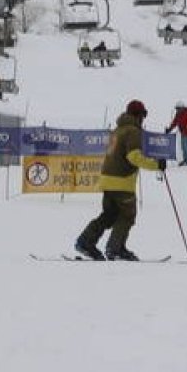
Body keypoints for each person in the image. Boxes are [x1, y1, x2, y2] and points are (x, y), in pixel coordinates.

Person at [75, 100, 166, 260]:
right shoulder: (132, 131)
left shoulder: (117, 130)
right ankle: (115, 249)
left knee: (109, 215)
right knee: (127, 215)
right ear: (138, 116)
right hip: (122, 181)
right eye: (143, 115)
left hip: (107, 179)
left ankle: (85, 242)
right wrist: (156, 164)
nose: (143, 119)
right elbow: (133, 157)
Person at [166, 101, 187, 166]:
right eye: (176, 109)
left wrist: (184, 131)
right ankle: (186, 159)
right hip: (183, 132)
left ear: (182, 108)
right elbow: (174, 122)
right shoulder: (178, 114)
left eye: (178, 108)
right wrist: (169, 129)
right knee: (183, 146)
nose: (177, 110)